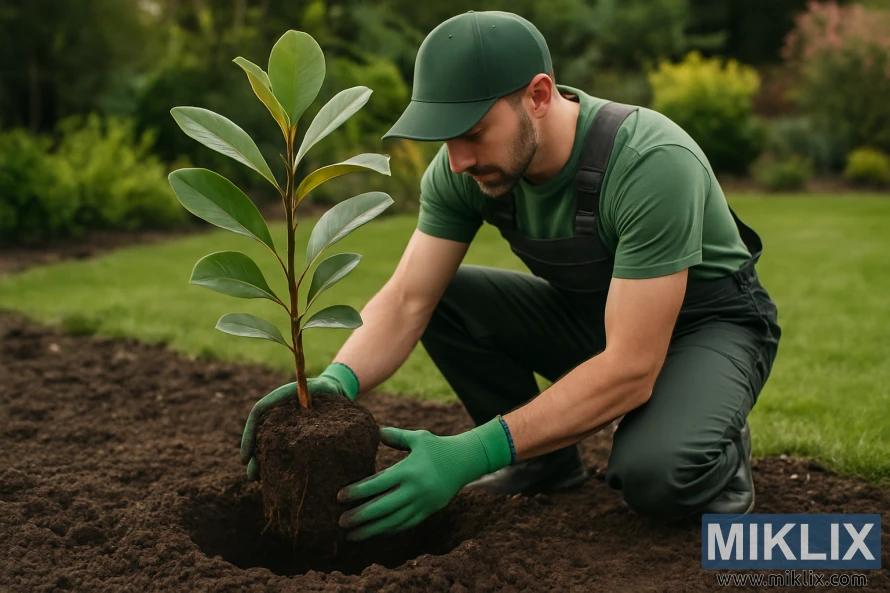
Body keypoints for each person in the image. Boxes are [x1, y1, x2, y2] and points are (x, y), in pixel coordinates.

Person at [239, 10, 781, 542]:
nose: (457, 161)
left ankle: (713, 441)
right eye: (445, 138)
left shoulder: (649, 161)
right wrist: (337, 382)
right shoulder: (465, 172)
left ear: (539, 96)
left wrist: (473, 452)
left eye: (473, 133)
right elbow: (408, 300)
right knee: (445, 297)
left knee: (655, 478)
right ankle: (548, 466)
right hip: (598, 319)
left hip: (708, 327)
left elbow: (633, 365)